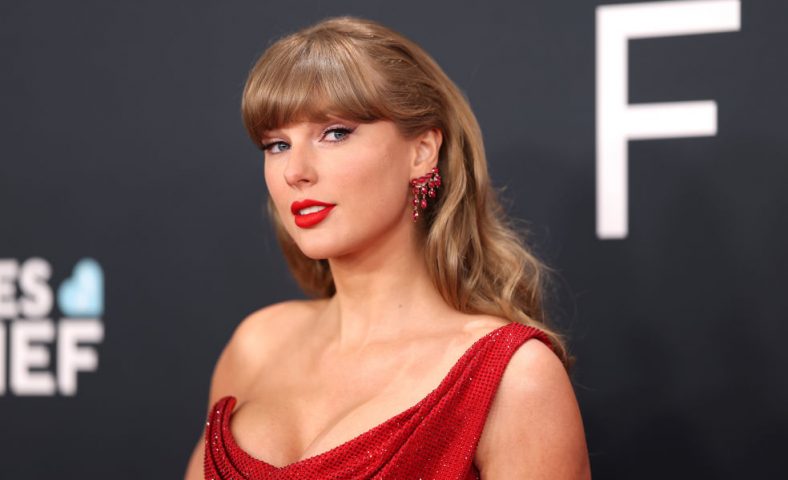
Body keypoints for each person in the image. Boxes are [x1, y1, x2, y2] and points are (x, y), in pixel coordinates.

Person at [185, 16, 590, 480]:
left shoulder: (514, 377)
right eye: (276, 144)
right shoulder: (256, 345)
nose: (295, 170)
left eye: (335, 133)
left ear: (421, 152)